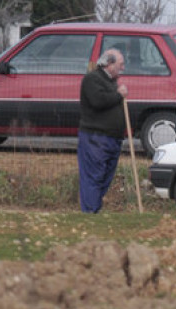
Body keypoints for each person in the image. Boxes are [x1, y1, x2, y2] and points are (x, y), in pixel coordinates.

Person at [77, 49, 128, 213]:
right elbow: (98, 101)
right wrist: (119, 95)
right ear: (109, 63)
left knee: (105, 177)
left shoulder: (111, 83)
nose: (123, 68)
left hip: (112, 139)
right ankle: (90, 212)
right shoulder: (92, 79)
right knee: (94, 176)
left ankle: (94, 208)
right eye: (120, 65)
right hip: (95, 138)